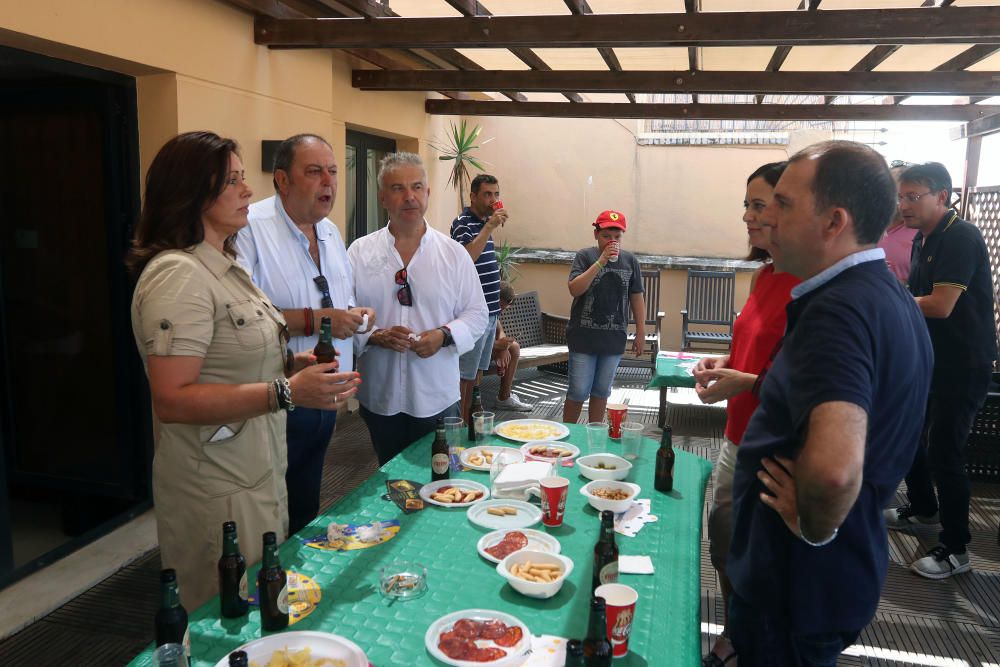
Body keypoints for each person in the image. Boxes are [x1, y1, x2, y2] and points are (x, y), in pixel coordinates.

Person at [128, 131, 360, 608]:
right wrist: (286, 391)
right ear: (194, 192)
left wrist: (293, 363)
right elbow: (171, 398)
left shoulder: (223, 265)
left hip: (255, 476)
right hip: (217, 491)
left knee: (262, 611)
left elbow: (232, 358)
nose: (247, 190)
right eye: (232, 181)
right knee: (226, 621)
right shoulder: (179, 275)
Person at [725, 141, 932, 665]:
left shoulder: (838, 311)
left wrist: (815, 524)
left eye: (784, 204)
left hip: (796, 585)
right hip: (827, 579)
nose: (766, 216)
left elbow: (836, 471)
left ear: (834, 220)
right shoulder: (886, 294)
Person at [236, 134, 375, 535]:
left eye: (332, 171)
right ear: (282, 179)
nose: (328, 182)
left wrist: (354, 314)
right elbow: (242, 318)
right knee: (266, 516)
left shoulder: (331, 232)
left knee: (305, 506)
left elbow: (340, 299)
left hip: (326, 398)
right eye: (314, 172)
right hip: (275, 398)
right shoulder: (251, 229)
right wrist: (318, 319)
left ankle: (297, 584)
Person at [691, 161, 798, 667]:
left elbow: (809, 382)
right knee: (726, 543)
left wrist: (747, 382)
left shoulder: (812, 285)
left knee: (758, 556)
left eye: (760, 205)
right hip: (738, 433)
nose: (749, 217)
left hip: (774, 446)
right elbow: (754, 351)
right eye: (747, 205)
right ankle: (737, 632)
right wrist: (725, 363)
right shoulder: (765, 275)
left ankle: (748, 643)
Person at [883, 162, 997, 579]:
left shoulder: (960, 236)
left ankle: (957, 550)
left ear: (942, 196)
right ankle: (924, 510)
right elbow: (917, 295)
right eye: (901, 196)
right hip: (929, 357)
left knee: (945, 452)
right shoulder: (923, 238)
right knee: (910, 435)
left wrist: (884, 299)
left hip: (963, 363)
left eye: (914, 196)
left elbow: (941, 304)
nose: (904, 204)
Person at [348, 152, 488, 464]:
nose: (409, 197)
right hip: (380, 394)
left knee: (439, 479)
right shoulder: (360, 252)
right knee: (390, 478)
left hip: (436, 394)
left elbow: (477, 313)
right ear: (383, 197)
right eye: (398, 188)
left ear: (427, 193)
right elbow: (345, 312)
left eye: (417, 187)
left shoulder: (453, 254)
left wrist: (443, 335)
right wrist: (373, 335)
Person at [451, 175, 532, 416]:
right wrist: (489, 227)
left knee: (475, 372)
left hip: (488, 312)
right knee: (465, 375)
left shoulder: (486, 222)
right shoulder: (462, 223)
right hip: (471, 312)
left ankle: (471, 419)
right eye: (487, 194)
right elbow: (467, 259)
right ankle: (460, 424)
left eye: (496, 194)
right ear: (473, 196)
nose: (493, 200)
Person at [562, 210, 645, 424]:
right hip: (583, 339)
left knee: (601, 392)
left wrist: (641, 333)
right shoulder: (585, 256)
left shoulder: (630, 261)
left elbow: (637, 298)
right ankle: (568, 439)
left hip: (613, 339)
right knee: (578, 391)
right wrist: (600, 262)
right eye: (606, 236)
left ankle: (594, 437)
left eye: (617, 237)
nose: (612, 241)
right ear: (596, 234)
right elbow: (574, 289)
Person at [488, 281, 533, 411]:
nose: (501, 310)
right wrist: (499, 347)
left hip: (488, 348)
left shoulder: (495, 311)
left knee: (513, 347)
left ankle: (504, 398)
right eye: (500, 306)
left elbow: (499, 330)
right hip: (474, 351)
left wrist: (503, 348)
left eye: (504, 308)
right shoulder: (484, 306)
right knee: (510, 347)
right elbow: (476, 343)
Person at [877, 161, 919, 282]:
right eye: (898, 196)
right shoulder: (865, 226)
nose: (902, 204)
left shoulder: (921, 232)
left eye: (910, 197)